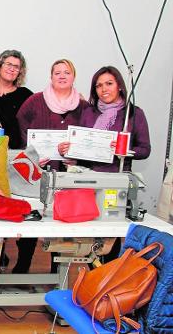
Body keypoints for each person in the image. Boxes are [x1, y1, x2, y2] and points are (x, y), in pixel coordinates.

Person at [58, 66, 151, 263]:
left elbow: (145, 149)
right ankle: (94, 281)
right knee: (89, 234)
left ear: (120, 86)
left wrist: (124, 151)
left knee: (110, 232)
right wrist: (70, 150)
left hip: (116, 183)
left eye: (109, 83)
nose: (104, 89)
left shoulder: (133, 114)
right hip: (89, 180)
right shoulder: (88, 112)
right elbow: (83, 147)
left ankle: (107, 283)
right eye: (99, 86)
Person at [14, 58, 89, 274]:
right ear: (51, 77)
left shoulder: (83, 107)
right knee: (32, 217)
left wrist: (78, 157)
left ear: (73, 76)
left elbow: (88, 138)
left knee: (64, 221)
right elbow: (20, 126)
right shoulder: (36, 101)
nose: (62, 76)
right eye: (57, 72)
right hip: (39, 172)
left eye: (67, 72)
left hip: (69, 174)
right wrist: (32, 154)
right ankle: (23, 264)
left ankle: (57, 271)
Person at [0, 50, 33, 149]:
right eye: (8, 64)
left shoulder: (25, 95)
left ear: (20, 72)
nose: (12, 69)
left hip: (13, 152)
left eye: (16, 67)